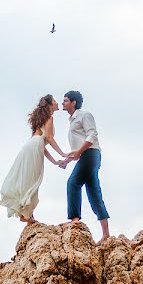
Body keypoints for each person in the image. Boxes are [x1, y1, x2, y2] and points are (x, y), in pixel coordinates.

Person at [0, 95, 67, 223]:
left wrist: (55, 162)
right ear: (50, 104)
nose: (57, 102)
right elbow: (49, 138)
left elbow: (43, 145)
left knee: (29, 180)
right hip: (34, 147)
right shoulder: (50, 118)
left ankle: (26, 214)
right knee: (33, 180)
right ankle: (26, 215)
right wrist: (62, 153)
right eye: (55, 101)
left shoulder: (42, 119)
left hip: (31, 146)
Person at [58, 90, 110, 242]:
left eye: (66, 100)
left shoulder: (84, 115)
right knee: (94, 192)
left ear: (74, 102)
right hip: (87, 155)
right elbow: (77, 150)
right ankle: (106, 234)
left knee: (73, 183)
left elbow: (92, 135)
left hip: (91, 154)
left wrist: (79, 152)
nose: (63, 103)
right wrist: (66, 161)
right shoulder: (72, 120)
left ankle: (74, 220)